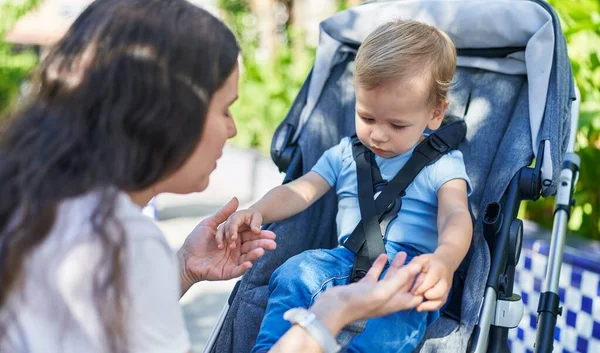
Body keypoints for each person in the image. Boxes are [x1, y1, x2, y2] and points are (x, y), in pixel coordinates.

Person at [0, 1, 427, 352]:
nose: (234, 129)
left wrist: (184, 267)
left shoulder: (47, 210)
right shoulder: (116, 241)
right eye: (225, 108)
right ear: (168, 114)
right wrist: (330, 316)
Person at [218, 20, 474, 353]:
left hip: (408, 270)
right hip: (343, 259)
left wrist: (445, 260)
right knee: (295, 271)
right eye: (367, 117)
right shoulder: (345, 153)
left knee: (406, 309)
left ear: (436, 114)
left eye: (397, 124)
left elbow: (455, 216)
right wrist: (256, 211)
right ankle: (271, 348)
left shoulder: (444, 163)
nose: (378, 134)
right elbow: (299, 190)